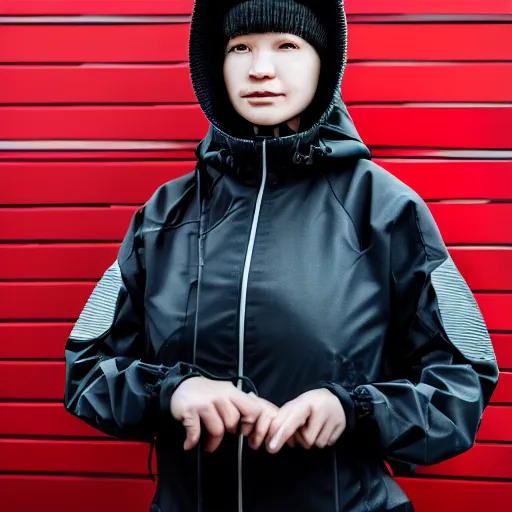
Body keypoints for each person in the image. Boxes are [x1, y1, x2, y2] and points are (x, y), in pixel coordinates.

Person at [64, 1, 499, 511]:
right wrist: (169, 394)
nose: (260, 68)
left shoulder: (385, 210)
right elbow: (87, 370)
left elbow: (462, 381)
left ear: (325, 62)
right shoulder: (164, 214)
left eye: (287, 46)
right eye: (240, 47)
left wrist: (354, 409)